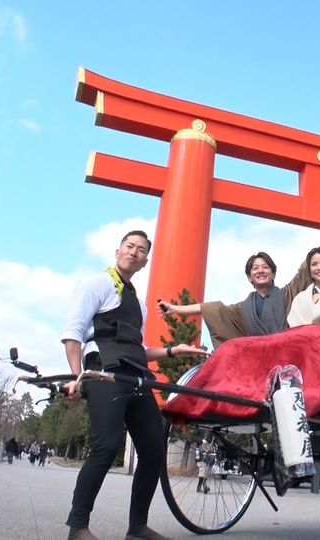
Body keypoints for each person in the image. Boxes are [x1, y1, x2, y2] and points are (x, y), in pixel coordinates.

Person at [61, 230, 209, 540]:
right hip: (103, 369)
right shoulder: (96, 284)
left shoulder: (137, 304)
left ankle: (137, 527)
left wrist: (173, 350)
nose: (134, 253)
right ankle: (78, 527)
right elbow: (73, 332)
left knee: (154, 450)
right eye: (130, 246)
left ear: (144, 261)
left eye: (141, 250)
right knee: (108, 444)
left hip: (135, 373)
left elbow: (137, 348)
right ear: (117, 251)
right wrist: (77, 377)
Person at [157, 220, 320, 349]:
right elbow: (211, 309)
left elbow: (307, 266)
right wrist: (175, 309)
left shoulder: (287, 294)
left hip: (288, 351)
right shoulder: (242, 309)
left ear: (273, 273)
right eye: (255, 269)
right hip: (257, 356)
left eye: (265, 267)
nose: (260, 270)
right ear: (249, 277)